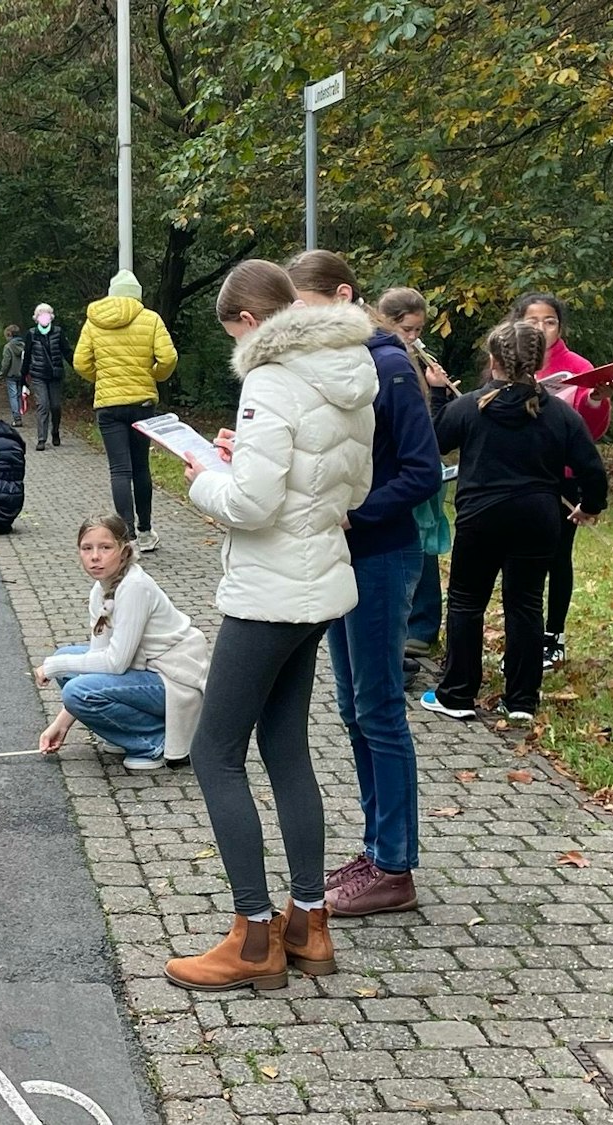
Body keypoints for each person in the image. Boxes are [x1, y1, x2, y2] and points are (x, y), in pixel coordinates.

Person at [163, 260, 375, 993]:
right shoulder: (350, 371)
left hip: (267, 591)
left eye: (233, 333)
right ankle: (309, 922)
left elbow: (250, 505)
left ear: (250, 323)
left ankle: (253, 936)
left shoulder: (272, 377)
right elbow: (351, 486)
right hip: (318, 584)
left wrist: (201, 475)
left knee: (214, 753)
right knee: (286, 747)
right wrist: (243, 457)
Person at [286, 252, 442, 918]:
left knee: (379, 710)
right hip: (343, 557)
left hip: (380, 554)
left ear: (343, 295)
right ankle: (376, 847)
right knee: (353, 708)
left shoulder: (387, 367)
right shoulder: (348, 363)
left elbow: (423, 471)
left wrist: (357, 509)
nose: (294, 318)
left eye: (302, 305)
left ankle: (395, 866)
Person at [422, 320, 608, 724]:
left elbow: (434, 441)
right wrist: (590, 505)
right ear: (540, 361)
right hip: (538, 516)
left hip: (481, 516)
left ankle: (457, 693)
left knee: (466, 602)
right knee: (525, 604)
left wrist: (437, 393)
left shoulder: (470, 406)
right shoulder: (558, 413)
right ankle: (522, 699)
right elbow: (592, 469)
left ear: (492, 360)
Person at [36, 516, 210, 772]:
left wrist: (53, 666)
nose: (95, 556)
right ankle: (128, 731)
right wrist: (61, 723)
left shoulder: (135, 587)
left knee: (76, 687)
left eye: (105, 548)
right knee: (70, 665)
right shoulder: (100, 589)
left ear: (123, 550)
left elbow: (115, 664)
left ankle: (153, 743)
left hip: (176, 681)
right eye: (87, 548)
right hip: (146, 673)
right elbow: (100, 656)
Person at [513, 292, 613, 670]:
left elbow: (592, 433)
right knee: (519, 559)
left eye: (549, 321)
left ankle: (553, 634)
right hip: (517, 475)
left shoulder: (578, 366)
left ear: (560, 326)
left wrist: (593, 402)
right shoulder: (507, 360)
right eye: (533, 321)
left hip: (563, 478)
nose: (541, 328)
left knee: (557, 556)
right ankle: (524, 633)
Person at [378, 288, 458, 661]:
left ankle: (423, 627)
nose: (414, 338)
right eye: (408, 329)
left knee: (424, 545)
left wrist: (440, 391)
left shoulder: (411, 362)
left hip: (419, 470)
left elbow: (430, 426)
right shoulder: (386, 361)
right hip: (393, 468)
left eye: (418, 329)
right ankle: (402, 625)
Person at [75, 270, 178, 550]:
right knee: (141, 467)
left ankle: (127, 537)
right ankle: (145, 532)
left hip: (109, 405)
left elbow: (80, 362)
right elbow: (168, 357)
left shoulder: (94, 321)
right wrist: (154, 375)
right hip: (142, 403)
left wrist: (104, 378)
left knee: (119, 470)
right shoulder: (150, 319)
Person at [24, 303, 70, 450]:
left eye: (46, 314)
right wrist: (22, 377)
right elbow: (27, 357)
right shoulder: (31, 334)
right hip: (38, 375)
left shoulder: (58, 332)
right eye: (40, 315)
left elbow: (67, 352)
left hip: (55, 375)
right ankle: (41, 439)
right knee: (43, 405)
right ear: (36, 318)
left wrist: (79, 366)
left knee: (56, 406)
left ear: (51, 317)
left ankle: (55, 431)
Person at [0, 324, 28, 427]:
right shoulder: (24, 345)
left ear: (9, 334)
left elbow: (6, 363)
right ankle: (20, 413)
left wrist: (1, 375)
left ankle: (17, 418)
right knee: (20, 396)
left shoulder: (8, 347)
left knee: (13, 396)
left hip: (11, 375)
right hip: (22, 374)